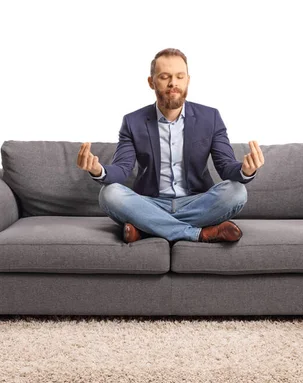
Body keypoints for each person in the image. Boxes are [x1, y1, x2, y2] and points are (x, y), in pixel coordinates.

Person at [76, 48, 264, 243]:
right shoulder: (133, 121)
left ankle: (147, 228)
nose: (173, 83)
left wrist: (245, 170)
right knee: (109, 194)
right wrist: (98, 170)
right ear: (151, 82)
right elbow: (122, 169)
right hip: (150, 202)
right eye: (165, 77)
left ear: (188, 80)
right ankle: (198, 233)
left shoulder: (211, 118)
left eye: (179, 77)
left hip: (196, 202)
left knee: (237, 191)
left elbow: (225, 166)